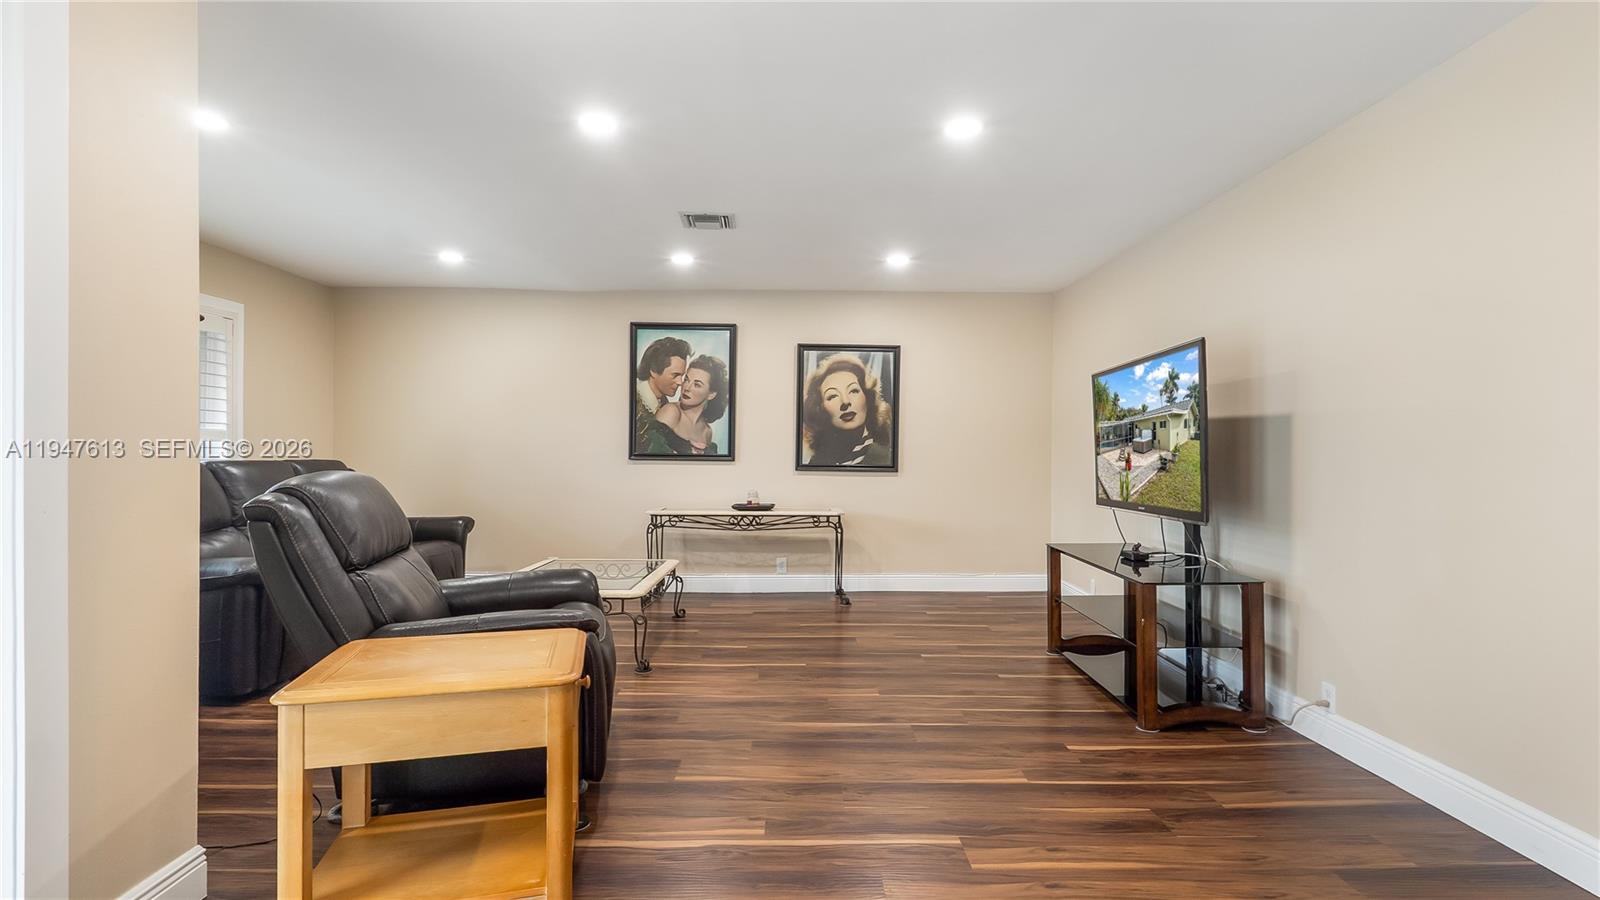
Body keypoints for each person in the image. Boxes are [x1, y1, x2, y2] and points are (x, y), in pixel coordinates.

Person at [800, 353, 893, 466]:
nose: (845, 402)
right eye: (833, 396)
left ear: (867, 397)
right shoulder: (816, 462)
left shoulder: (885, 458)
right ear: (820, 408)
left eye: (853, 391)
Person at [655, 355, 728, 455]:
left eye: (697, 384)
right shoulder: (671, 412)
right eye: (686, 380)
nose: (687, 387)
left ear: (711, 394)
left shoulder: (706, 432)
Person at [634, 336, 690, 454]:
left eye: (682, 375)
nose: (680, 382)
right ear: (653, 371)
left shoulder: (664, 404)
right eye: (675, 375)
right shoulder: (634, 405)